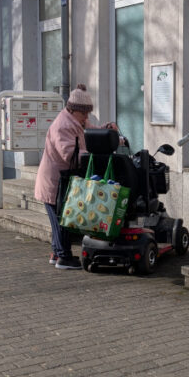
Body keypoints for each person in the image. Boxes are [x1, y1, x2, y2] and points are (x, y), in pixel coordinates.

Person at [34, 84, 116, 270]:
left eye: (87, 114)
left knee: (61, 219)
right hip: (54, 182)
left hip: (62, 181)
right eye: (84, 114)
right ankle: (64, 257)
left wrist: (107, 129)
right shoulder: (63, 126)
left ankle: (57, 253)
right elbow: (70, 155)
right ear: (73, 110)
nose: (87, 118)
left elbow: (93, 131)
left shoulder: (77, 121)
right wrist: (95, 157)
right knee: (61, 220)